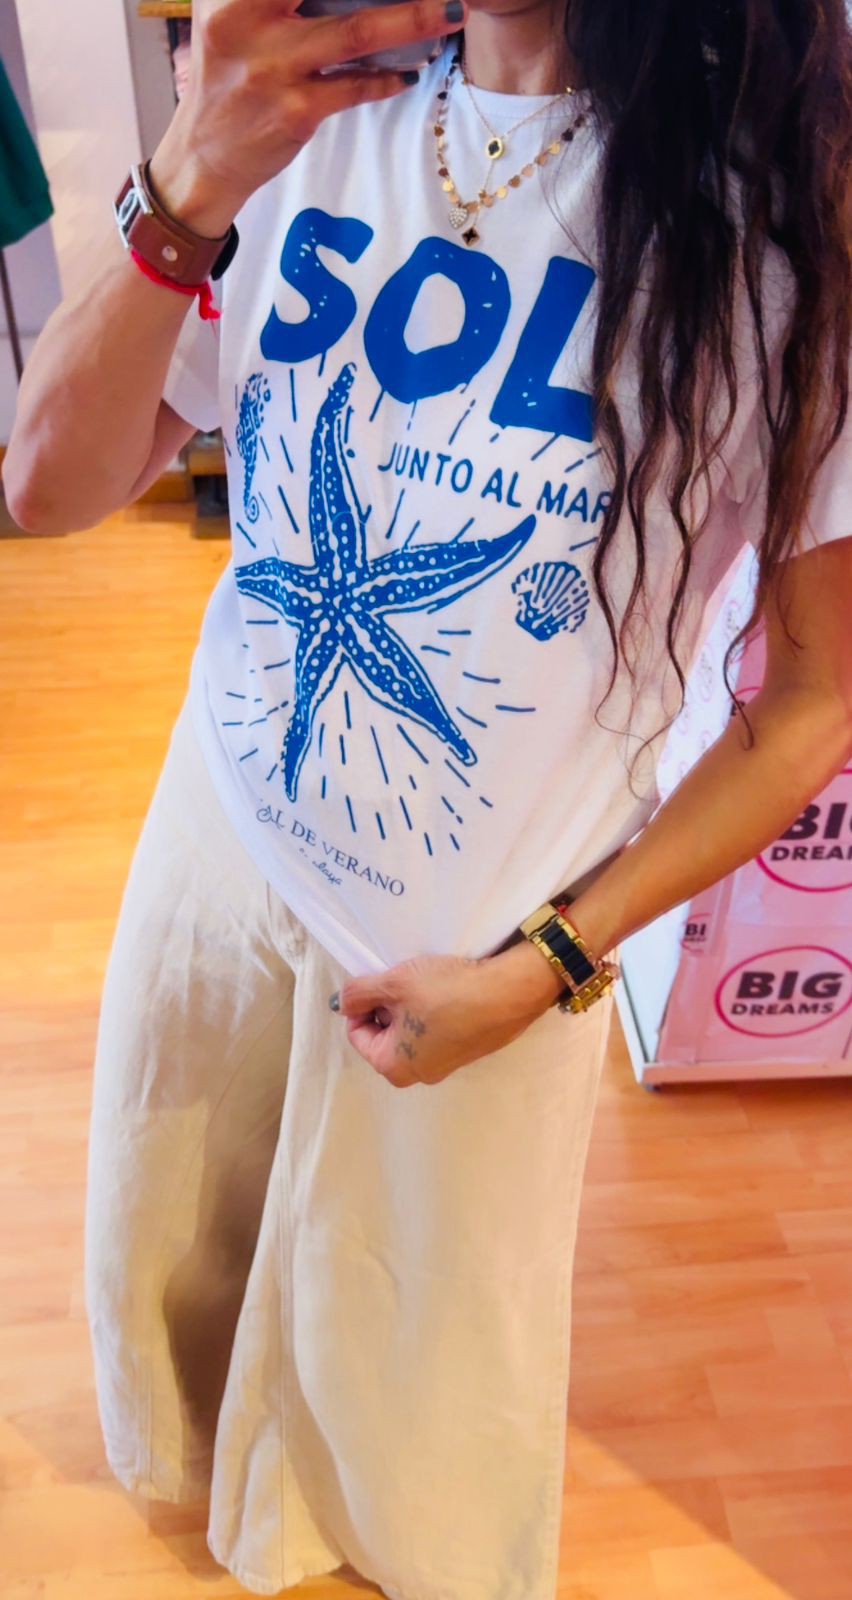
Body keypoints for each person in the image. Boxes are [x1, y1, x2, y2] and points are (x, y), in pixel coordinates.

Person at [4, 1, 851, 1597]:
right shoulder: (293, 112)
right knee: (176, 1235)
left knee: (423, 1382)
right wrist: (189, 175)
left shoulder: (782, 218)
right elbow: (43, 487)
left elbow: (812, 703)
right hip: (223, 835)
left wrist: (550, 967)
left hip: (489, 948)